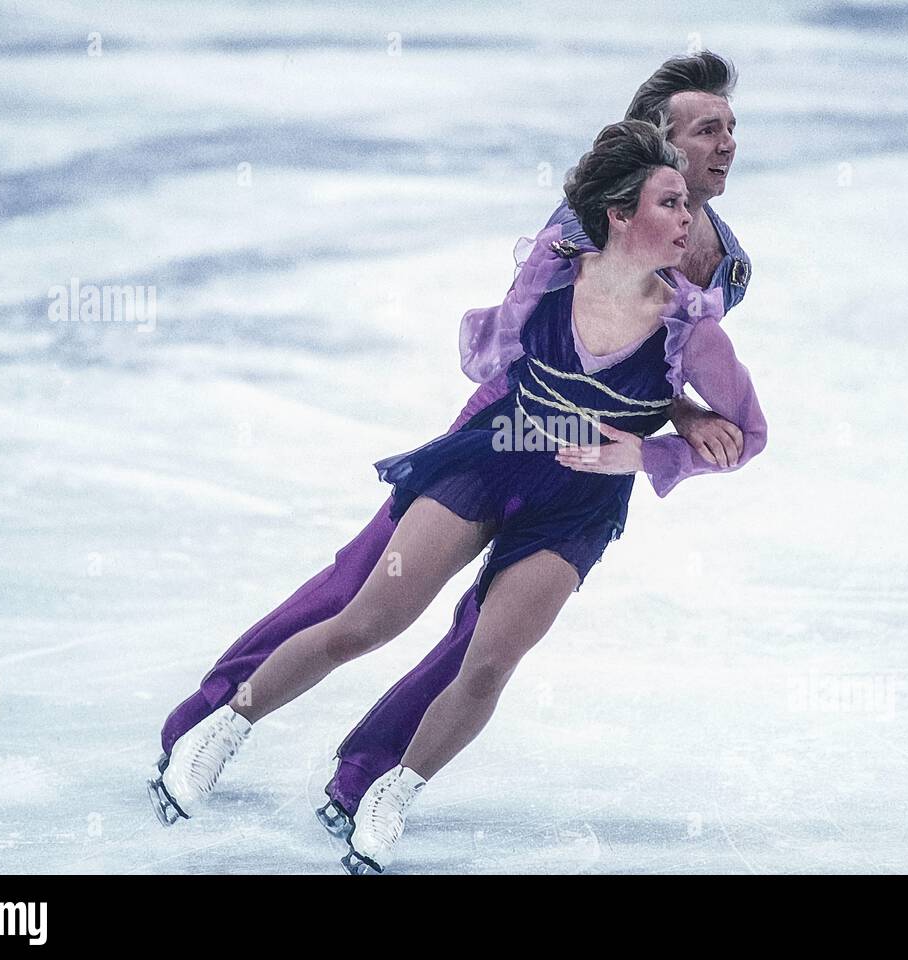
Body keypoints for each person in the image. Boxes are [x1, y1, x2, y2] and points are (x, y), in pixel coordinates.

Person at [151, 49, 752, 830]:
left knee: (485, 637)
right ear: (660, 141)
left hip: (589, 459)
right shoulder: (584, 225)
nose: (727, 144)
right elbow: (554, 330)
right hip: (507, 417)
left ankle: (366, 773)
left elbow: (657, 353)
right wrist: (679, 412)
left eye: (730, 129)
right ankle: (208, 714)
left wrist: (678, 416)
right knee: (362, 591)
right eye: (707, 131)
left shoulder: (729, 268)